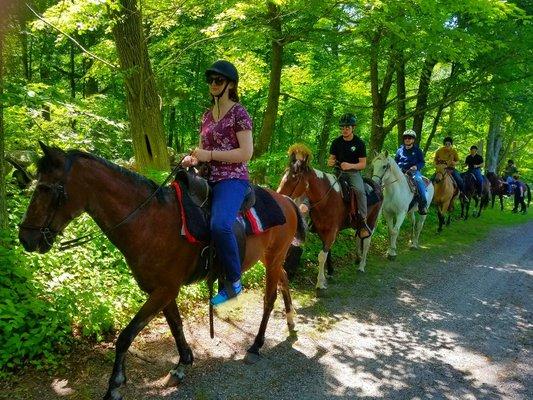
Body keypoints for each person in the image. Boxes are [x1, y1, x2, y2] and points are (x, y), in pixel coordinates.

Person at [182, 60, 253, 306]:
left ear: (230, 85)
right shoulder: (206, 116)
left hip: (232, 178)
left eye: (219, 80)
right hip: (206, 176)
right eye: (211, 80)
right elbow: (204, 150)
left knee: (221, 225)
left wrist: (210, 156)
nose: (213, 84)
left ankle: (234, 281)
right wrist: (193, 159)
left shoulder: (239, 113)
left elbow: (246, 153)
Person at [327, 113, 371, 238]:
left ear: (353, 128)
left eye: (347, 128)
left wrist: (350, 166)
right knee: (326, 187)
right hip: (337, 172)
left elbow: (363, 164)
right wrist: (330, 162)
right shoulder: (336, 142)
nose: (344, 130)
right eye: (342, 128)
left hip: (353, 173)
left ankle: (363, 221)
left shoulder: (359, 143)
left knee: (359, 191)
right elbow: (331, 159)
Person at [395, 129, 428, 215]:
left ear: (413, 140)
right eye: (405, 137)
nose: (407, 139)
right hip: (400, 171)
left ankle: (423, 204)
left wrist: (416, 166)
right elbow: (395, 162)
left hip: (413, 172)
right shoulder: (399, 150)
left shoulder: (417, 150)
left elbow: (422, 162)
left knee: (418, 180)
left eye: (410, 138)